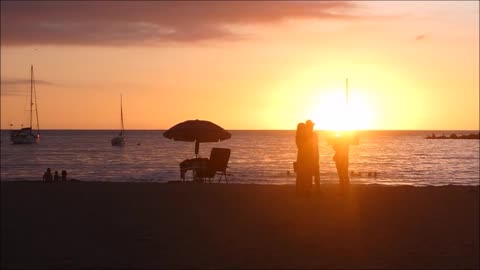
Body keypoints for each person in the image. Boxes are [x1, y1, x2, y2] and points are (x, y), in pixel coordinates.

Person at [295, 122, 312, 196]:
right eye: (303, 128)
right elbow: (302, 146)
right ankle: (301, 191)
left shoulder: (302, 136)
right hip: (302, 157)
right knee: (301, 175)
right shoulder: (299, 137)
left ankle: (304, 191)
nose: (304, 130)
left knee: (305, 174)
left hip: (305, 157)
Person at [305, 120, 320, 189]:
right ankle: (310, 188)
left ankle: (317, 188)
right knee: (309, 174)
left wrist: (317, 156)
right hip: (309, 157)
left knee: (316, 173)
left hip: (315, 156)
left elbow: (316, 146)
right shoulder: (306, 135)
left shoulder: (314, 134)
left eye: (312, 126)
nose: (312, 127)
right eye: (311, 126)